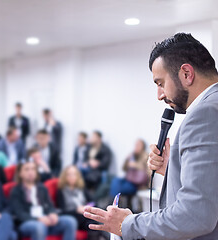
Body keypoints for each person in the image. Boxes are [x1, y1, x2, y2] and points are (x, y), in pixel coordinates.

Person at [84, 33, 218, 239]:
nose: (159, 95)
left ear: (186, 74)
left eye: (160, 83)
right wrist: (175, 169)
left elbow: (196, 215)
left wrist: (127, 223)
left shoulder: (204, 114)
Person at [10, 161, 77, 240]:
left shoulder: (42, 188)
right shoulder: (16, 191)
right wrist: (38, 219)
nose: (30, 172)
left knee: (70, 221)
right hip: (27, 223)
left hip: (46, 220)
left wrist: (52, 214)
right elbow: (20, 214)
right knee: (39, 227)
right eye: (27, 169)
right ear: (20, 173)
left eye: (33, 169)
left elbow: (50, 206)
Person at [57, 166, 103, 240]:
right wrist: (76, 210)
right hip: (73, 216)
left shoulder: (81, 188)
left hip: (85, 215)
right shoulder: (61, 191)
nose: (72, 177)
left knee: (94, 222)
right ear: (65, 177)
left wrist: (87, 208)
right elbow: (62, 211)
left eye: (74, 174)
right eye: (69, 174)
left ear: (77, 176)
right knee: (93, 223)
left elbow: (94, 202)